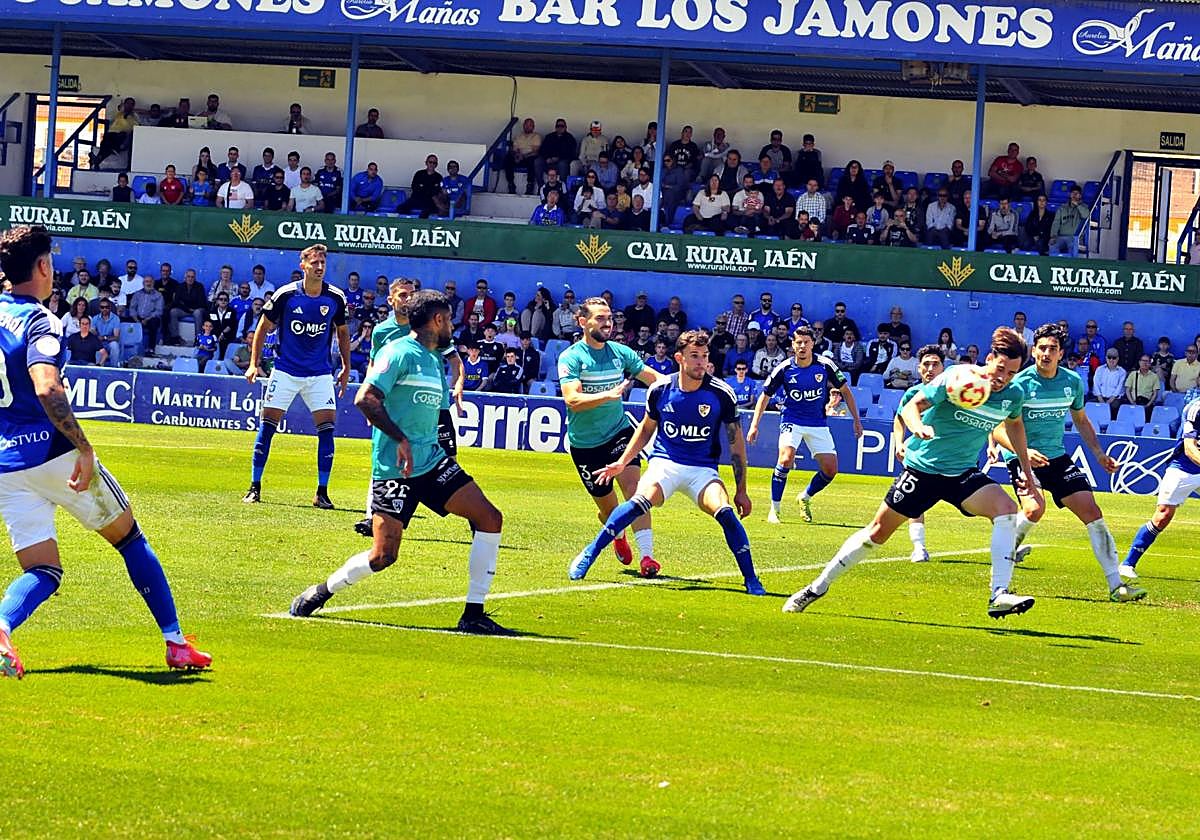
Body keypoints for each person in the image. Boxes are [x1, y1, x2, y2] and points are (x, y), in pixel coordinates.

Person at [0, 225, 210, 677]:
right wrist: (84, 447)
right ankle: (175, 643)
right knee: (130, 538)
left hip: (6, 464)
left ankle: (1, 626)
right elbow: (47, 386)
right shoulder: (40, 320)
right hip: (52, 453)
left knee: (43, 570)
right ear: (42, 267)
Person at [289, 291, 513, 636]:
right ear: (437, 320)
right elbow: (366, 398)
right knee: (382, 557)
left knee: (490, 517)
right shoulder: (398, 353)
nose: (452, 325)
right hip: (395, 468)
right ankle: (321, 591)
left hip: (433, 462)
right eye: (449, 319)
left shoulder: (434, 359)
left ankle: (474, 613)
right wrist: (401, 439)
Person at [783, 327, 1043, 619]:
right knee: (876, 534)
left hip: (962, 474)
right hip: (924, 470)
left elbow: (1015, 425)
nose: (1003, 378)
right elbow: (911, 406)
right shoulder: (957, 378)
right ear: (989, 357)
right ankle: (817, 587)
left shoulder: (1014, 393)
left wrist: (1027, 469)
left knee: (1007, 510)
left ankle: (999, 594)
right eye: (1000, 369)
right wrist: (917, 426)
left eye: (1011, 373)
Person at [567, 330, 762, 595]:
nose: (701, 363)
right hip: (665, 463)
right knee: (638, 501)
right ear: (679, 358)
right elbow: (646, 430)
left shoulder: (722, 393)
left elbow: (736, 445)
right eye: (694, 356)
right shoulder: (660, 390)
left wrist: (741, 490)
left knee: (725, 512)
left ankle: (751, 579)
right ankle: (591, 552)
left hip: (702, 470)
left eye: (704, 357)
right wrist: (622, 463)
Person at [990, 323, 1146, 602]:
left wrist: (1099, 453)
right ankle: (1006, 562)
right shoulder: (1019, 384)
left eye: (1052, 349)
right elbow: (999, 429)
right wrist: (1024, 451)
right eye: (1041, 348)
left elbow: (1081, 420)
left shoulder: (1072, 382)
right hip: (1023, 457)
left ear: (1061, 353)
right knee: (1035, 509)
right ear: (1034, 351)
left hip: (1056, 457)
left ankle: (1116, 585)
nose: (1046, 354)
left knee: (1092, 511)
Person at [557, 297, 667, 575]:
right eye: (600, 319)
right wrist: (608, 394)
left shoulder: (620, 352)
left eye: (610, 318)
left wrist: (690, 386)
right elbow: (572, 399)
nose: (608, 324)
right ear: (583, 322)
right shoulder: (572, 357)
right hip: (585, 445)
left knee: (635, 491)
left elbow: (654, 378)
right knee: (609, 509)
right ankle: (618, 535)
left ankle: (648, 557)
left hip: (619, 432)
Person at [242, 244, 350, 509]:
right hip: (286, 371)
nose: (320, 267)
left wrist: (345, 367)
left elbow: (344, 332)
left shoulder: (335, 297)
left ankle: (322, 492)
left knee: (327, 430)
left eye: (323, 262)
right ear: (303, 265)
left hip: (320, 374)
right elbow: (263, 328)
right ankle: (255, 487)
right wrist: (254, 364)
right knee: (267, 426)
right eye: (314, 263)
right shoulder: (286, 295)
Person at [747, 326, 862, 525]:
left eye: (806, 342)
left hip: (818, 422)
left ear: (812, 344)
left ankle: (805, 497)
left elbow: (845, 390)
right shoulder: (784, 368)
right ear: (793, 345)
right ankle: (775, 509)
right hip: (792, 420)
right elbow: (765, 396)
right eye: (798, 342)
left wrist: (856, 420)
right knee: (786, 459)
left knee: (831, 469)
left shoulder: (825, 365)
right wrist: (754, 425)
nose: (802, 346)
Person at [1119, 393, 1200, 580]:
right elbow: (1189, 448)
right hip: (1184, 468)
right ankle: (1127, 564)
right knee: (1163, 515)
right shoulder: (1195, 408)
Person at [891, 344, 946, 562]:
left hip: (952, 458)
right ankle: (919, 547)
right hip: (919, 457)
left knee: (980, 502)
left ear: (944, 367)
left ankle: (1008, 544)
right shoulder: (912, 393)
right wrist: (899, 443)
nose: (930, 368)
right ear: (919, 368)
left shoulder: (953, 392)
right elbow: (899, 418)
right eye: (926, 364)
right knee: (915, 503)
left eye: (935, 364)